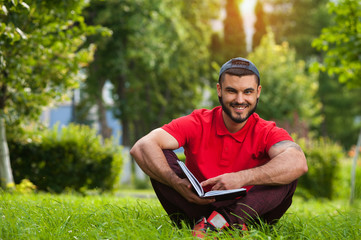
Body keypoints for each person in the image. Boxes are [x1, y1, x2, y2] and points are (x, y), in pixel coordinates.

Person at [130, 57, 308, 237]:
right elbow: (142, 146)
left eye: (248, 92)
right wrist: (176, 183)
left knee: (287, 172)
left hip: (250, 215)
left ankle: (221, 223)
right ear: (219, 90)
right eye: (231, 91)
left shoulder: (266, 131)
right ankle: (213, 224)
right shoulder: (198, 122)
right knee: (157, 158)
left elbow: (298, 162)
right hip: (198, 210)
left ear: (258, 92)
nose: (240, 100)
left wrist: (240, 178)